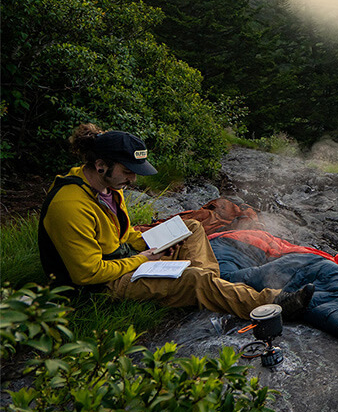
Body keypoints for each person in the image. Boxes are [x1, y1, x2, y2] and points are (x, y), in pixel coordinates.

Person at [38, 124, 313, 320]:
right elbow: (87, 274)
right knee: (195, 277)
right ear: (100, 165)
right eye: (127, 171)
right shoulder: (70, 206)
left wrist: (150, 242)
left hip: (121, 258)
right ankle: (271, 302)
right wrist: (144, 258)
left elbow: (119, 234)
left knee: (190, 228)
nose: (133, 179)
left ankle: (206, 287)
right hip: (100, 286)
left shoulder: (108, 187)